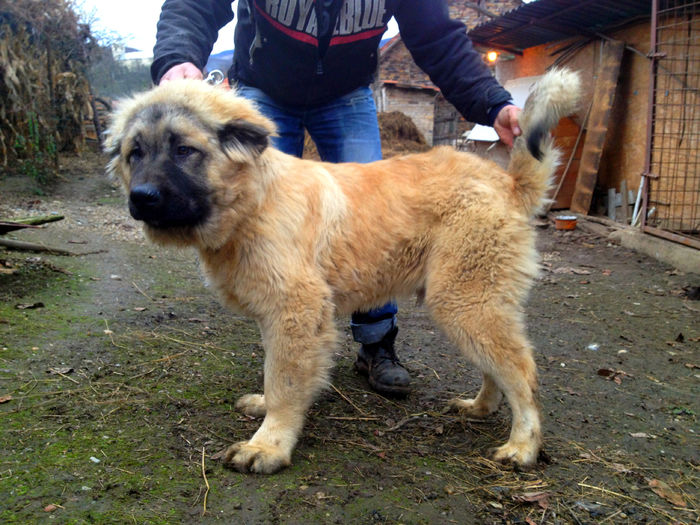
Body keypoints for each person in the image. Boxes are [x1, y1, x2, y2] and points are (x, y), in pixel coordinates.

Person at [151, 0, 521, 397]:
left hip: (345, 94)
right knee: (256, 229)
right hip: (265, 86)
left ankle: (376, 345)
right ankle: (286, 359)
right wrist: (177, 57)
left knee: (378, 223)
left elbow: (436, 37)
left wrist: (492, 101)